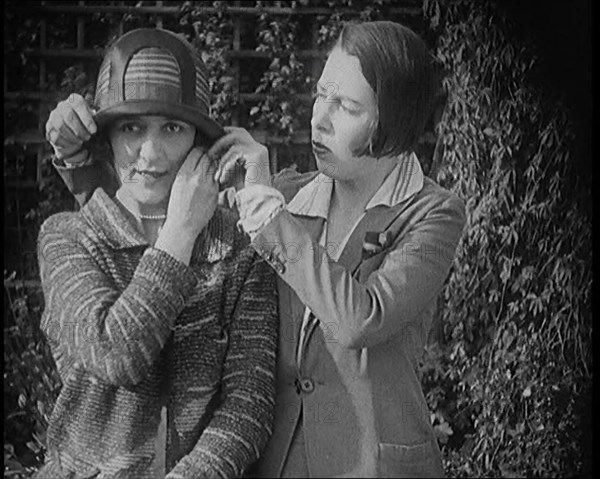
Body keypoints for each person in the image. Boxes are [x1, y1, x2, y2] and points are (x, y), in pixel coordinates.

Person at [53, 21, 466, 478]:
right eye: (320, 95)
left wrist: (267, 212)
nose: (319, 119)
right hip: (280, 463)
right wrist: (81, 159)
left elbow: (361, 320)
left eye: (346, 106)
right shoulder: (286, 195)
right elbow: (149, 215)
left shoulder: (432, 213)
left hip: (374, 464)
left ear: (395, 118)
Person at [36, 28, 278, 479]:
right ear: (106, 138)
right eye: (131, 127)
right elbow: (116, 354)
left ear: (200, 142)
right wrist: (179, 233)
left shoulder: (239, 252)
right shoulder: (68, 239)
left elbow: (249, 402)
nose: (151, 152)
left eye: (172, 127)